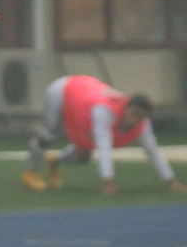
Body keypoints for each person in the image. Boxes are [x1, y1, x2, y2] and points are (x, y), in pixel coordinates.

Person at [22, 75, 187, 195]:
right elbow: (104, 147)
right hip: (64, 90)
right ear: (127, 107)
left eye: (141, 117)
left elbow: (152, 151)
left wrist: (171, 181)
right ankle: (31, 172)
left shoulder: (142, 122)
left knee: (83, 156)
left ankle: (55, 161)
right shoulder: (105, 111)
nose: (136, 120)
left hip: (84, 104)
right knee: (48, 133)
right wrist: (108, 182)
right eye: (134, 114)